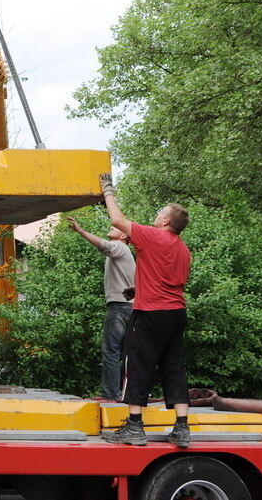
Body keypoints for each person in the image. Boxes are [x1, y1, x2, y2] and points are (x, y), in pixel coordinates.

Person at [97, 172, 192, 448]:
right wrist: (138, 290)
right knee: (174, 367)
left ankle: (135, 427)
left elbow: (117, 221)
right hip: (176, 314)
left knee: (138, 364)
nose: (157, 213)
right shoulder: (184, 250)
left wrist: (108, 191)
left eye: (160, 211)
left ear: (165, 222)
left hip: (150, 313)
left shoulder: (152, 236)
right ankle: (182, 428)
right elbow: (171, 282)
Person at [66, 216, 135, 402]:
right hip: (129, 307)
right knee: (124, 353)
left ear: (124, 236)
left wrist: (81, 231)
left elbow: (103, 245)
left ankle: (110, 395)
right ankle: (124, 394)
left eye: (117, 227)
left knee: (111, 351)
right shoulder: (126, 253)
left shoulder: (120, 248)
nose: (113, 226)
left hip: (119, 307)